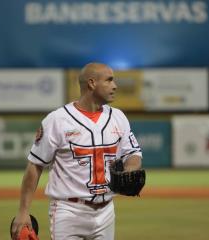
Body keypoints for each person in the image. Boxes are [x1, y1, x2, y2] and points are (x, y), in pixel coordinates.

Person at [11, 62, 143, 240]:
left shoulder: (118, 117)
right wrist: (23, 211)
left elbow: (133, 152)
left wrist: (131, 167)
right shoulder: (58, 120)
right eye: (109, 80)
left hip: (106, 211)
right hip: (69, 211)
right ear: (91, 83)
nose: (115, 85)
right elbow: (35, 166)